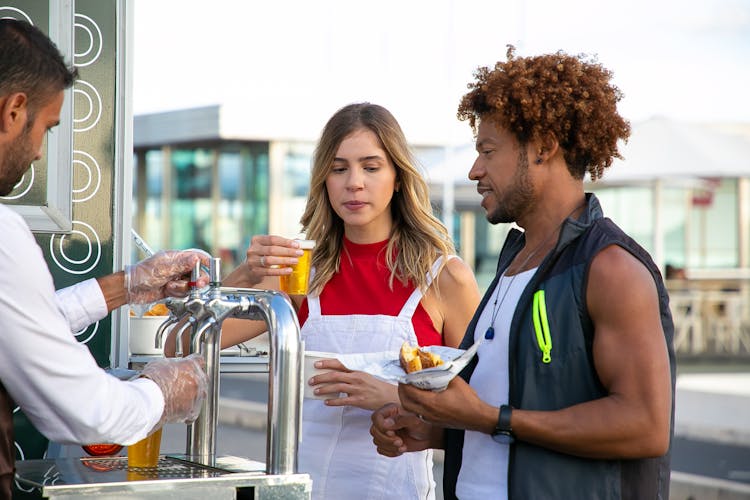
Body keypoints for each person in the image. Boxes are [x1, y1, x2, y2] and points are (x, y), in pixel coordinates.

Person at [370, 45, 676, 499]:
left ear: (544, 147)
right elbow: (510, 416)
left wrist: (488, 419)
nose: (476, 170)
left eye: (488, 150)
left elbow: (645, 427)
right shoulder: (515, 260)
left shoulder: (610, 266)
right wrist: (439, 431)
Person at [186, 102, 481, 499]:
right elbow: (185, 344)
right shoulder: (299, 272)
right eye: (339, 168)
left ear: (397, 178)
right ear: (324, 179)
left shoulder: (445, 277)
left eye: (371, 167)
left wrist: (393, 396)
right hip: (302, 490)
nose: (353, 182)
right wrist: (245, 275)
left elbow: (478, 413)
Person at [0, 18, 208, 499]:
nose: (37, 153)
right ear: (14, 111)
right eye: (48, 128)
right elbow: (86, 412)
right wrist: (162, 389)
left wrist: (128, 285)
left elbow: (18, 321)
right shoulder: (4, 234)